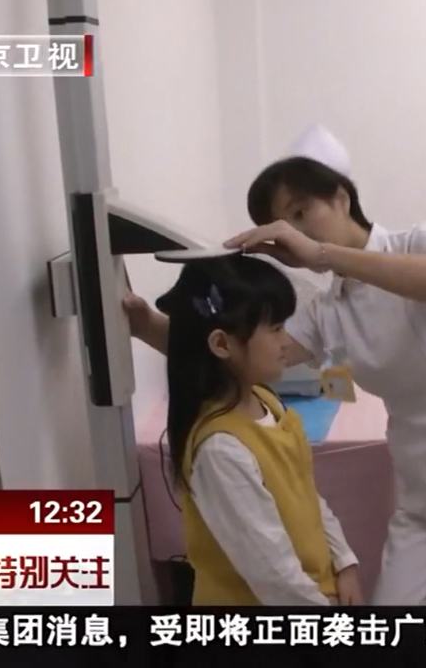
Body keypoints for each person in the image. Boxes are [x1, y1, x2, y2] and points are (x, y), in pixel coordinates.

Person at [126, 126, 426, 605]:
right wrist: (145, 324)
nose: (296, 234)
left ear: (342, 198)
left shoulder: (421, 241)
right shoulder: (329, 309)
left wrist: (323, 255)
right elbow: (240, 352)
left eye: (302, 214)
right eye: (283, 227)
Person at [155, 252, 362, 606]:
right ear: (222, 344)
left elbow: (307, 496)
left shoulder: (266, 401)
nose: (287, 341)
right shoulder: (221, 449)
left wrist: (344, 564)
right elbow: (273, 575)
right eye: (277, 328)